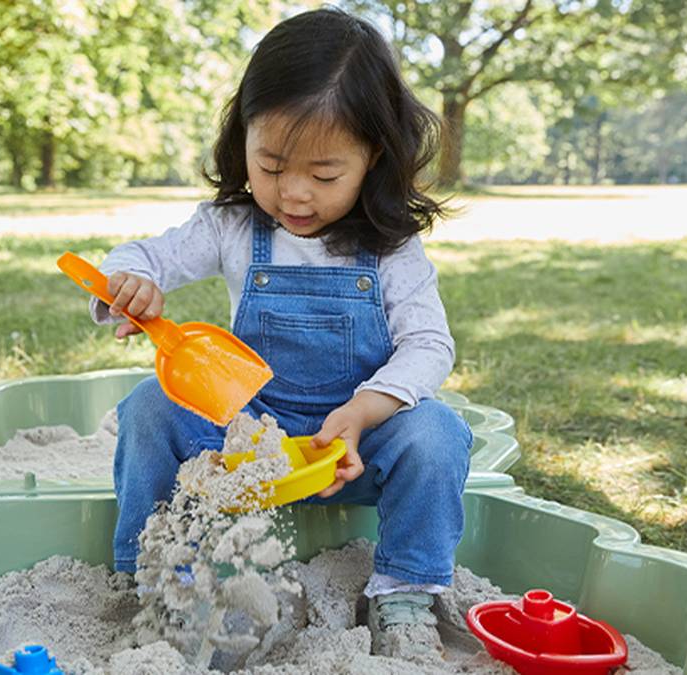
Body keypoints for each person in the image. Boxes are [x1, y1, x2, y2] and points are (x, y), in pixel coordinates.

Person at [89, 7, 471, 662]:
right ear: (243, 137)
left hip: (352, 442)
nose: (293, 193)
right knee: (149, 409)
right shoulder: (232, 226)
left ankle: (405, 588)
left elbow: (430, 346)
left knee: (438, 435)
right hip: (247, 443)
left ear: (371, 156)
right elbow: (141, 255)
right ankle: (153, 573)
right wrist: (129, 283)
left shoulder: (390, 250)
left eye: (324, 175)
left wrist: (364, 410)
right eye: (270, 165)